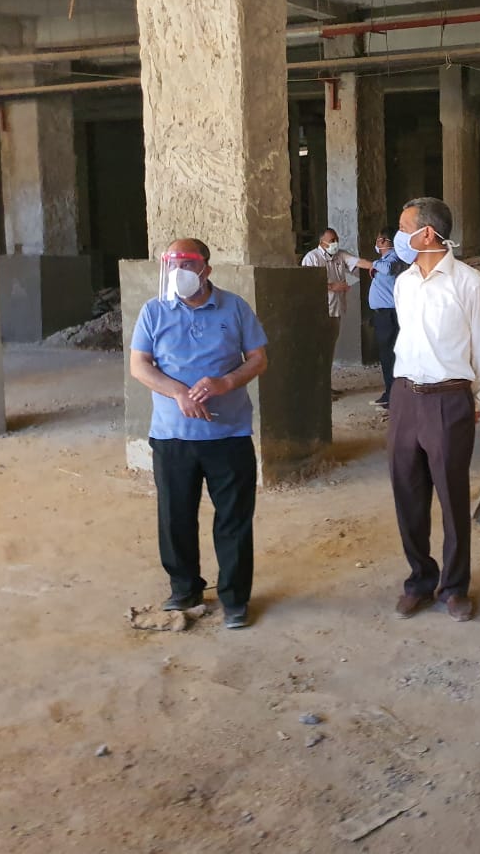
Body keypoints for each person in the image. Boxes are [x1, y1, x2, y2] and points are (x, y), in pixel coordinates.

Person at [129, 238, 269, 630]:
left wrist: (225, 383)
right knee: (175, 516)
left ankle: (235, 598)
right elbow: (140, 365)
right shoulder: (154, 310)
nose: (179, 273)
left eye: (187, 265)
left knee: (234, 519)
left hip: (229, 434)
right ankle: (185, 589)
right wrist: (177, 393)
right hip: (173, 435)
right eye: (172, 265)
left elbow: (258, 359)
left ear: (206, 268)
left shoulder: (234, 307)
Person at [388, 197, 480, 623]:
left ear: (427, 233)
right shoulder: (404, 283)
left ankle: (454, 587)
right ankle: (419, 580)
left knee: (452, 497)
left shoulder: (469, 283)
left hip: (449, 398)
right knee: (407, 493)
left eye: (404, 227)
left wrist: (474, 402)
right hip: (404, 397)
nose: (399, 236)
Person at [300, 228, 372, 390]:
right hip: (319, 312)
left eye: (336, 240)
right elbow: (307, 284)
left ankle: (326, 386)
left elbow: (357, 262)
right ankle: (316, 388)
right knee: (318, 349)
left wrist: (377, 266)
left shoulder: (340, 255)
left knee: (329, 350)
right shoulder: (311, 258)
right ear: (322, 242)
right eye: (332, 241)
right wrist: (333, 286)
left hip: (336, 310)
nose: (335, 243)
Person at [368, 232, 403, 409]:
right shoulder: (384, 260)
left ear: (382, 240)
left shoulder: (393, 257)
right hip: (383, 314)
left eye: (378, 239)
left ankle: (393, 395)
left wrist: (371, 264)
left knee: (390, 355)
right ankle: (391, 392)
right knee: (386, 355)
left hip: (389, 313)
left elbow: (389, 268)